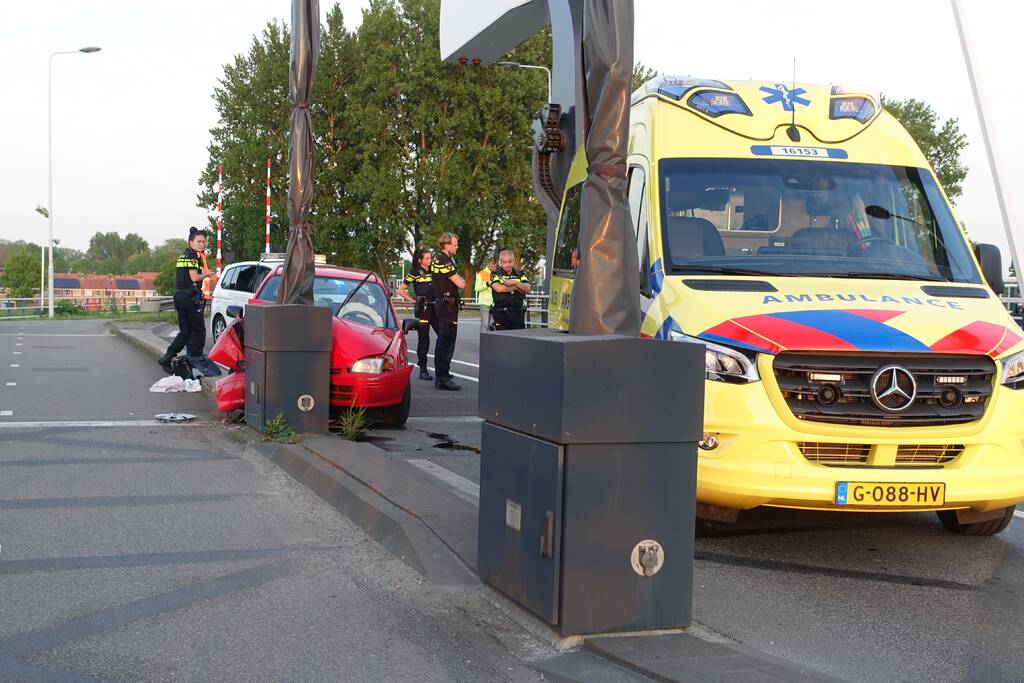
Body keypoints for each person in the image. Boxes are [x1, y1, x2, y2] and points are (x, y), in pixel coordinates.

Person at [158, 228, 216, 374]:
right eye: (199, 241)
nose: (202, 244)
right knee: (198, 330)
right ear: (191, 242)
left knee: (185, 331)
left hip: (180, 296)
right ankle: (196, 358)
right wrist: (206, 274)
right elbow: (194, 278)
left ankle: (167, 357)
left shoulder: (184, 255)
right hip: (189, 298)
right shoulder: (192, 257)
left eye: (204, 241)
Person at [430, 231, 465, 391]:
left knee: (445, 341)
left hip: (446, 304)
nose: (457, 246)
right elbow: (460, 283)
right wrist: (461, 280)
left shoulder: (443, 259)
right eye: (455, 244)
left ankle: (442, 374)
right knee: (446, 341)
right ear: (446, 244)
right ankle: (442, 377)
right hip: (446, 305)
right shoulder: (443, 260)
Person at [398, 248, 437, 381]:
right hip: (423, 308)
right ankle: (423, 369)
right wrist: (414, 300)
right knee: (424, 338)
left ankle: (442, 369)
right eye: (427, 258)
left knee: (443, 335)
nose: (429, 260)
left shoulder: (434, 270)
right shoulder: (414, 272)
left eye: (430, 258)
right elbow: (401, 290)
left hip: (436, 306)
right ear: (420, 260)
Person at [489, 249, 531, 330]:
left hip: (517, 313)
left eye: (510, 261)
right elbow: (498, 288)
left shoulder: (520, 273)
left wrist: (514, 282)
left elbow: (528, 287)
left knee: (518, 340)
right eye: (504, 262)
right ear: (500, 262)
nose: (507, 265)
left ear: (513, 261)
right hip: (500, 313)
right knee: (502, 340)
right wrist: (517, 286)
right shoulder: (495, 273)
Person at [474, 257, 497, 330]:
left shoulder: (496, 274)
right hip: (484, 303)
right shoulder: (482, 273)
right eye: (492, 266)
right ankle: (484, 341)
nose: (493, 268)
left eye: (495, 266)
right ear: (488, 264)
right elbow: (477, 288)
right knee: (485, 324)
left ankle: (491, 341)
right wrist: (487, 284)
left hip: (494, 303)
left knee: (493, 325)